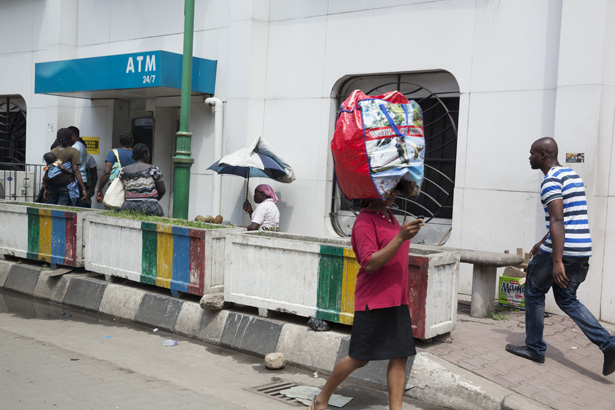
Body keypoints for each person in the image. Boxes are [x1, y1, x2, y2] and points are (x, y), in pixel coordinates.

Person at [505, 137, 615, 377]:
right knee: (567, 300)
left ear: (543, 155)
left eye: (532, 153)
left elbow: (557, 219)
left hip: (562, 253)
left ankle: (534, 348)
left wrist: (556, 262)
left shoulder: (550, 181)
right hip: (582, 249)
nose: (529, 157)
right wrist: (542, 240)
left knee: (534, 293)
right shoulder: (572, 176)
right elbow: (567, 217)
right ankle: (609, 344)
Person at [310, 182, 424, 410]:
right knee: (359, 358)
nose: (391, 193)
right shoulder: (364, 222)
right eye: (385, 189)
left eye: (394, 188)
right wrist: (401, 237)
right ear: (370, 191)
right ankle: (322, 397)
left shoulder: (389, 217)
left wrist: (404, 233)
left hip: (397, 299)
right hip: (374, 300)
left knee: (400, 356)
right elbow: (370, 263)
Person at [118, 143, 165, 216]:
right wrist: (151, 201)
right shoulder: (153, 169)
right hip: (150, 207)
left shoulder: (123, 170)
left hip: (128, 207)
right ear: (145, 155)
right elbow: (162, 191)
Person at [48, 128, 87, 206]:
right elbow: (75, 170)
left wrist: (45, 187)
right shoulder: (73, 151)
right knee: (62, 210)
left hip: (53, 185)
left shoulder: (53, 151)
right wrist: (83, 188)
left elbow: (49, 169)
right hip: (66, 185)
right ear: (70, 138)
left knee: (52, 207)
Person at [96, 131, 135, 203]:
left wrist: (99, 190)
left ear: (119, 141)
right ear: (132, 140)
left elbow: (106, 172)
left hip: (115, 188)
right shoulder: (136, 153)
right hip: (133, 188)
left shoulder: (113, 153)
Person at [68, 126, 89, 207]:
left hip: (77, 179)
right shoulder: (81, 145)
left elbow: (75, 168)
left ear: (73, 135)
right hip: (81, 178)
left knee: (76, 206)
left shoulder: (75, 147)